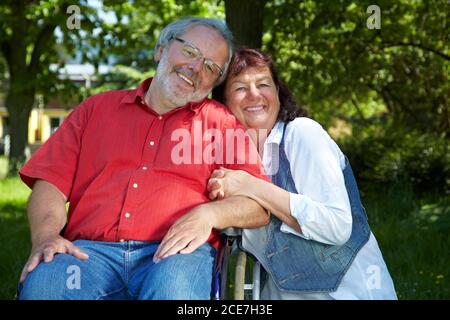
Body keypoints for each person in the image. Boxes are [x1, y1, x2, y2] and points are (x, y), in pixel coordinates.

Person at [17, 19, 270, 300]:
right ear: (160, 49)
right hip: (87, 255)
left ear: (214, 82)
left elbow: (259, 203)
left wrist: (210, 214)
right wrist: (46, 236)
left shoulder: (220, 123)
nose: (196, 68)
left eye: (211, 67)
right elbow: (50, 182)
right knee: (45, 287)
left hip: (176, 254)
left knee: (172, 292)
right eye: (190, 52)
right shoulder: (95, 109)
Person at [209, 48, 397, 299]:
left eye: (264, 84)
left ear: (277, 91)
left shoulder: (302, 134)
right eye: (240, 88)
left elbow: (337, 227)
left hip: (347, 293)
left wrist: (252, 187)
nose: (254, 95)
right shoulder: (232, 162)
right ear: (223, 103)